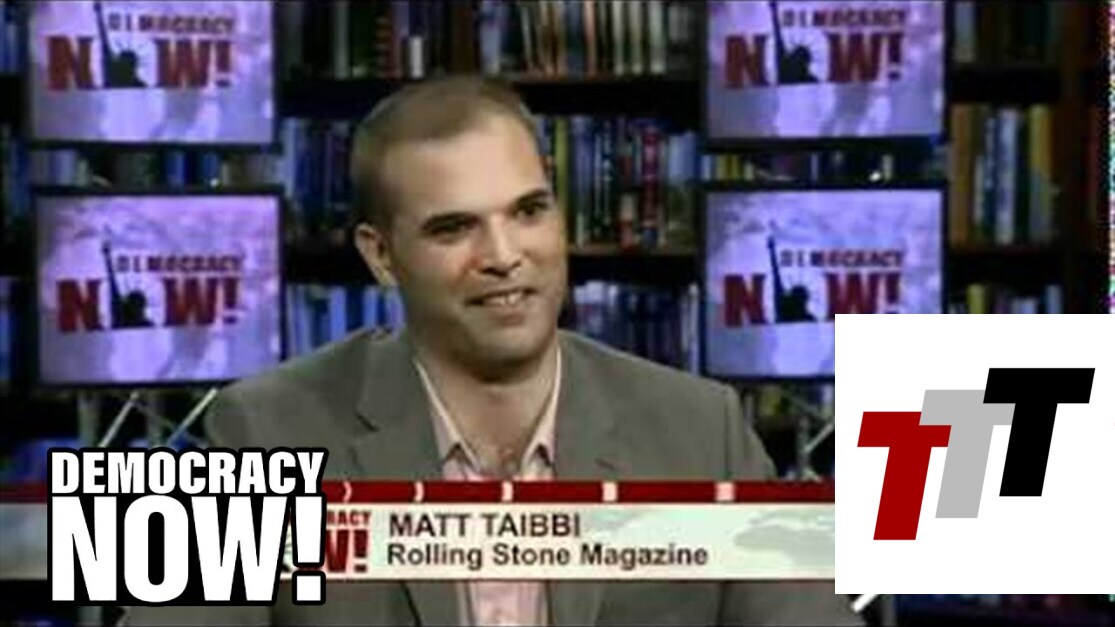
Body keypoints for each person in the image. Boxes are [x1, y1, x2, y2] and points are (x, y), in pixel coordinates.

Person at [124, 75, 863, 626]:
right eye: (453, 228)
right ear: (381, 256)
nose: (505, 255)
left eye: (529, 211)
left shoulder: (702, 432)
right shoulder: (261, 433)